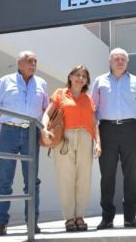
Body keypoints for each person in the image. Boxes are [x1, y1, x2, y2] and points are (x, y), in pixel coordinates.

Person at [0, 51, 48, 236]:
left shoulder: (42, 83)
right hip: (9, 132)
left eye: (35, 61)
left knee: (32, 181)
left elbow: (45, 109)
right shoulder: (5, 81)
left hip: (32, 132)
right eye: (29, 61)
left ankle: (32, 222)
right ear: (19, 63)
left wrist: (43, 131)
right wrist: (3, 126)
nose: (33, 64)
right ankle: (1, 223)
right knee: (4, 180)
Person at [40, 65, 101, 232]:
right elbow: (47, 113)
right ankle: (69, 218)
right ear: (70, 77)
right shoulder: (60, 93)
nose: (80, 78)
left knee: (84, 179)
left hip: (85, 138)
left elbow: (94, 123)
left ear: (87, 81)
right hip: (65, 138)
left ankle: (80, 216)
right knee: (65, 178)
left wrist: (98, 143)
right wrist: (44, 129)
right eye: (77, 75)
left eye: (84, 76)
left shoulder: (88, 99)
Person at [92, 47, 136, 229]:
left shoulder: (135, 81)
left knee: (130, 175)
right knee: (107, 176)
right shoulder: (100, 81)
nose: (120, 61)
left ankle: (130, 217)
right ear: (110, 61)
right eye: (116, 58)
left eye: (123, 58)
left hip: (131, 129)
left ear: (127, 62)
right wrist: (97, 134)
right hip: (107, 129)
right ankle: (107, 218)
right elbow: (93, 108)